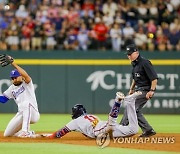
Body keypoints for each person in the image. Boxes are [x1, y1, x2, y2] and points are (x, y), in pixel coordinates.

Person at [48, 91, 142, 139]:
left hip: (99, 129)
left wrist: (49, 137)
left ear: (75, 114)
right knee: (133, 129)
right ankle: (130, 102)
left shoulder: (75, 122)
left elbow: (59, 133)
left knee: (111, 126)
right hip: (103, 126)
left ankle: (117, 101)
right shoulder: (91, 116)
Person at [120, 44, 158, 137]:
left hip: (145, 90)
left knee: (130, 106)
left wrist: (152, 90)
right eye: (127, 54)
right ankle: (148, 130)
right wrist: (131, 89)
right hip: (138, 90)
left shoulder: (145, 63)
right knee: (134, 110)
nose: (128, 56)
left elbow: (154, 78)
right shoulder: (134, 63)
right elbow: (135, 79)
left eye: (130, 54)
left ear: (136, 52)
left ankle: (121, 128)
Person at [0, 56, 40, 137]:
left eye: (15, 77)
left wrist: (13, 63)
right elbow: (3, 99)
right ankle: (30, 133)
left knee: (25, 103)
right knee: (7, 134)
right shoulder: (11, 88)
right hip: (22, 114)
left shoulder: (27, 83)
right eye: (12, 78)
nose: (14, 79)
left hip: (33, 113)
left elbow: (26, 75)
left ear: (21, 76)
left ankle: (25, 131)